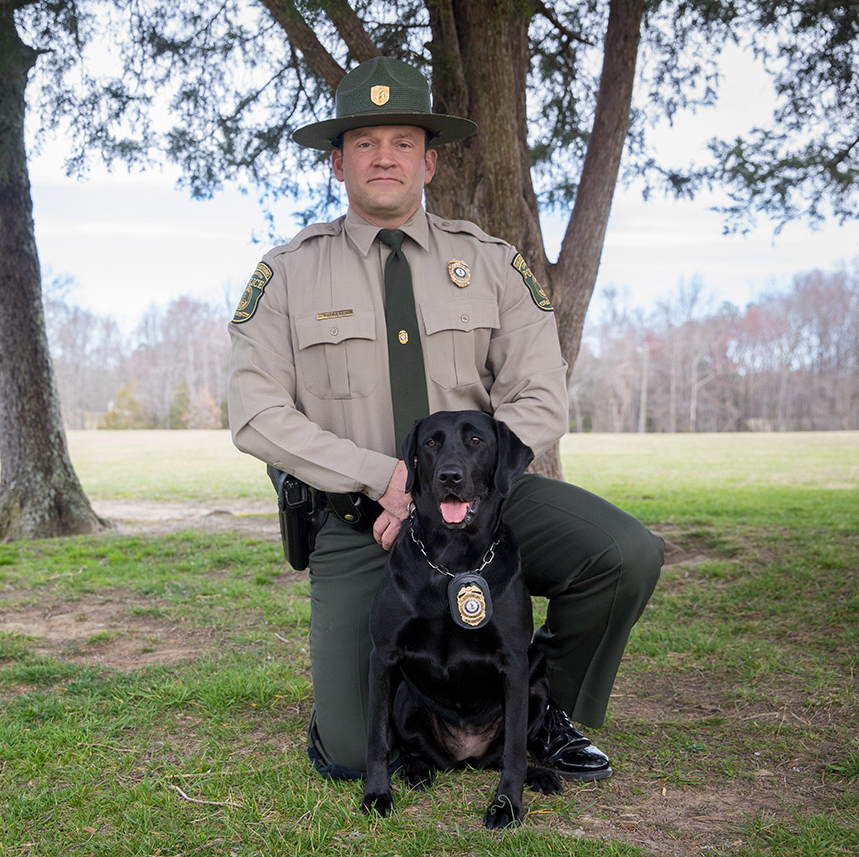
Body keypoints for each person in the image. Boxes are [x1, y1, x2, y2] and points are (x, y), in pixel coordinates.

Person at [227, 56, 664, 782]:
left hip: (488, 511)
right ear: (338, 162)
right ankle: (373, 697)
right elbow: (257, 414)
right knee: (346, 753)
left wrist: (483, 490)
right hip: (358, 524)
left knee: (623, 553)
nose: (385, 158)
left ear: (429, 161)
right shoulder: (289, 274)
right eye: (365, 143)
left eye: (403, 141)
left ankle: (540, 705)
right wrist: (383, 479)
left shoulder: (489, 262)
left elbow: (541, 394)